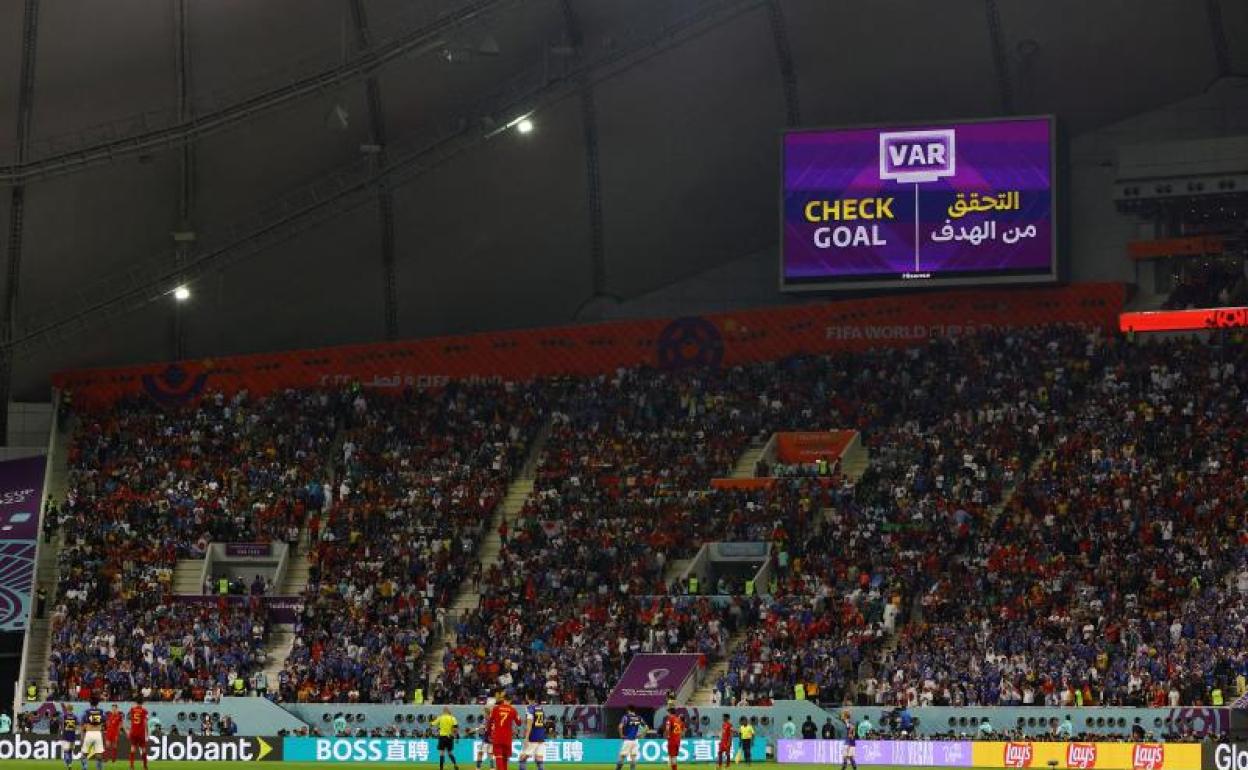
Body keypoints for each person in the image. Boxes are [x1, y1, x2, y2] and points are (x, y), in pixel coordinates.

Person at [487, 691, 521, 770]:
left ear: (503, 699)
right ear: (510, 700)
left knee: (499, 757)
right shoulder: (513, 710)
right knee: (505, 759)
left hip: (497, 736)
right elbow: (519, 723)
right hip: (507, 738)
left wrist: (489, 734)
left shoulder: (496, 708)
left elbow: (489, 722)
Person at [517, 694, 547, 770]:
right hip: (541, 735)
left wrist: (526, 738)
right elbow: (542, 721)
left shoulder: (529, 709)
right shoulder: (540, 708)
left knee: (522, 758)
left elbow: (529, 725)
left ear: (527, 698)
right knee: (539, 758)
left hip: (533, 736)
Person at [615, 705, 646, 770]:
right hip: (635, 740)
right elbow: (646, 728)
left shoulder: (626, 717)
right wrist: (641, 735)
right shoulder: (638, 717)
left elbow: (620, 727)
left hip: (627, 739)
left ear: (628, 710)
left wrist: (621, 735)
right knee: (633, 758)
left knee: (622, 757)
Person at [81, 697, 106, 770]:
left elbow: (83, 724)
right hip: (98, 733)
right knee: (99, 755)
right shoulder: (101, 711)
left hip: (89, 733)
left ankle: (85, 767)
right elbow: (104, 721)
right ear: (98, 703)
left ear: (90, 703)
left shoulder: (86, 711)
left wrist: (82, 736)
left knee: (84, 753)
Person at [475, 701, 495, 770]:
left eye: (483, 712)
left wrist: (475, 729)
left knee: (480, 753)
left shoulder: (486, 719)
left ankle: (478, 768)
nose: (483, 713)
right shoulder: (493, 719)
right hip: (492, 739)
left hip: (487, 739)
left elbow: (482, 727)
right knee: (490, 754)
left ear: (486, 712)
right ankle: (492, 768)